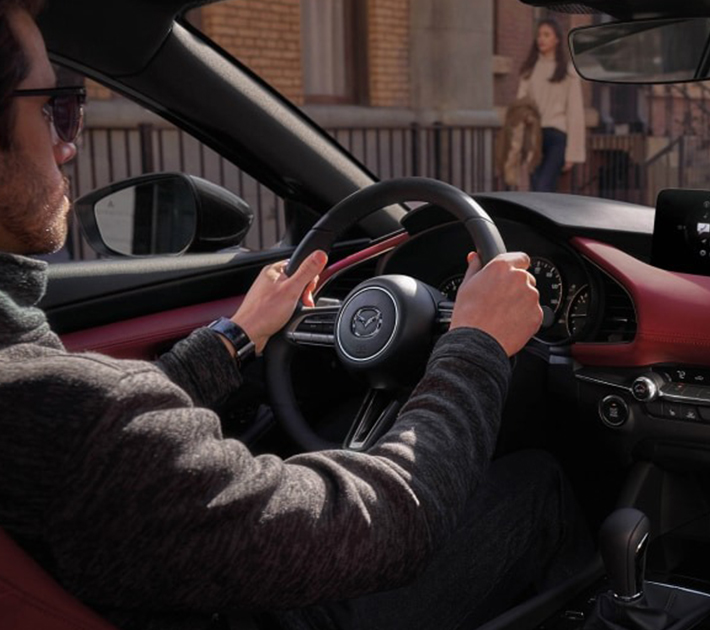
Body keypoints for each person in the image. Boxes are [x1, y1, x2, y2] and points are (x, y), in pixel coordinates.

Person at [0, 2, 591, 629]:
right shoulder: (67, 419)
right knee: (539, 481)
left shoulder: (47, 403)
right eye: (54, 106)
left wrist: (236, 336)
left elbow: (119, 458)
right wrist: (475, 343)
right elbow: (393, 523)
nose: (68, 143)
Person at [517, 18, 586, 193]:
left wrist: (573, 153)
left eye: (546, 35)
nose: (541, 39)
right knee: (536, 189)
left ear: (556, 39)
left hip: (557, 137)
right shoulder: (529, 71)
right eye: (539, 35)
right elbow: (520, 107)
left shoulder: (568, 72)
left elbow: (575, 113)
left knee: (543, 186)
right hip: (534, 137)